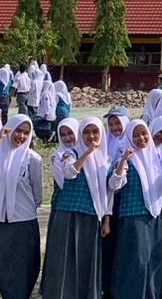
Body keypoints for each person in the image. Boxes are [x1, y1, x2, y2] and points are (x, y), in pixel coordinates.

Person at [42, 118, 111, 299]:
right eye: (86, 132)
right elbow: (69, 173)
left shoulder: (105, 159)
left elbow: (108, 192)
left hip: (91, 214)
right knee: (64, 258)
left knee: (85, 260)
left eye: (95, 132)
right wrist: (87, 153)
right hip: (67, 213)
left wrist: (106, 218)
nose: (91, 136)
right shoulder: (70, 154)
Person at [0, 115, 43, 299]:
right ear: (9, 129)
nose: (21, 136)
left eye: (26, 133)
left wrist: (23, 206)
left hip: (23, 221)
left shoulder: (33, 159)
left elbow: (37, 191)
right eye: (18, 130)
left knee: (24, 266)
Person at [108, 120, 162, 299]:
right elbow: (114, 185)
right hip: (133, 216)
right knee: (136, 261)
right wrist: (124, 160)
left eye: (144, 134)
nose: (141, 138)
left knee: (152, 260)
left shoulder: (155, 157)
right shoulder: (125, 158)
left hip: (154, 215)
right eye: (136, 135)